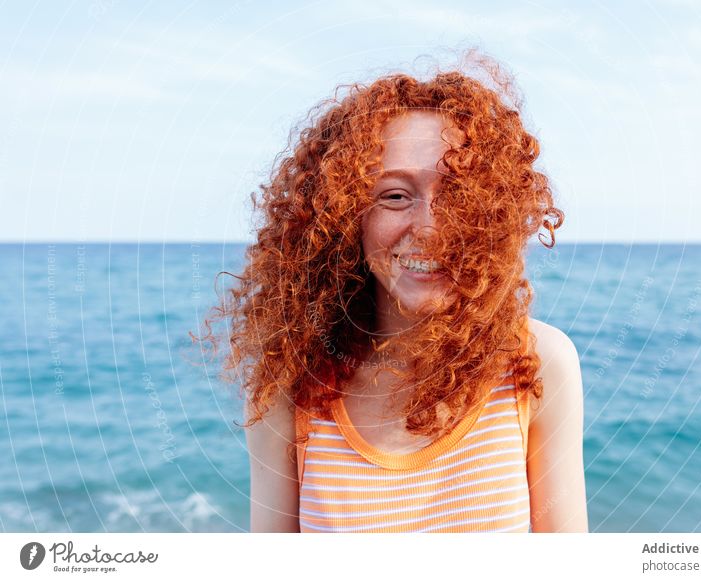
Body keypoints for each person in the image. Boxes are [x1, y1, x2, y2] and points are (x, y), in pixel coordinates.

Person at [203, 53, 587, 532]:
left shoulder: (537, 364)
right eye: (395, 196)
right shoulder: (291, 390)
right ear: (345, 217)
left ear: (491, 212)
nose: (429, 228)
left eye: (456, 196)